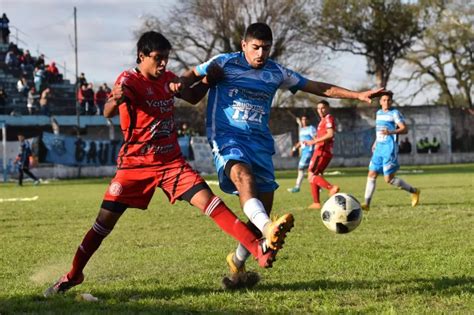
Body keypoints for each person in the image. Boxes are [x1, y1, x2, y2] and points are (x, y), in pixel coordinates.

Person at [44, 31, 291, 297]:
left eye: (166, 59)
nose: (163, 64)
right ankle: (73, 274)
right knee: (103, 225)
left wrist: (207, 80)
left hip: (171, 163)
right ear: (142, 56)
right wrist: (115, 98)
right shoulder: (128, 80)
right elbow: (108, 111)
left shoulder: (168, 79)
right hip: (135, 166)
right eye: (158, 59)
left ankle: (258, 249)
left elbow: (192, 96)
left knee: (211, 203)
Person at [183, 22, 384, 289]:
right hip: (228, 137)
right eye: (255, 48)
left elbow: (317, 87)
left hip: (261, 143)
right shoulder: (224, 62)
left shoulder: (276, 72)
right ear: (244, 45)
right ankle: (268, 230)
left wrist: (357, 94)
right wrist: (181, 84)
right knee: (244, 179)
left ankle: (237, 264)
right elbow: (188, 76)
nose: (260, 54)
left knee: (260, 209)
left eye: (266, 48)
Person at [361, 91, 420, 211]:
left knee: (389, 179)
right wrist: (375, 142)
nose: (386, 102)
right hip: (379, 148)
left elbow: (404, 129)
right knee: (371, 174)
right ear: (380, 101)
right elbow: (379, 130)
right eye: (384, 100)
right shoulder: (378, 113)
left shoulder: (395, 113)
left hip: (389, 149)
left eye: (388, 100)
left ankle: (414, 191)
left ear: (391, 101)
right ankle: (366, 204)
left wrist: (391, 132)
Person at [304, 100, 340, 209]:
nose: (320, 110)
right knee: (315, 175)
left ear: (328, 108)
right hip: (322, 150)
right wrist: (315, 139)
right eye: (318, 108)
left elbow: (330, 134)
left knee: (311, 175)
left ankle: (331, 188)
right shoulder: (323, 120)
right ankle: (316, 203)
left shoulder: (328, 118)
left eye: (323, 108)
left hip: (322, 151)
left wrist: (314, 141)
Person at [288, 116, 316, 193]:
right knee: (312, 170)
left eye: (305, 119)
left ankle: (297, 187)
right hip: (304, 152)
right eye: (302, 119)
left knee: (301, 168)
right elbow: (301, 142)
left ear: (308, 120)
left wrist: (314, 146)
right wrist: (294, 148)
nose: (304, 121)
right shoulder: (302, 130)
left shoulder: (311, 128)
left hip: (309, 152)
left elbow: (316, 139)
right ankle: (318, 187)